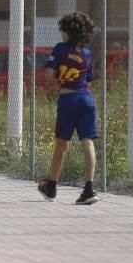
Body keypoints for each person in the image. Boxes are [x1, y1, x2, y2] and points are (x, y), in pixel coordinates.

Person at [37, 12, 100, 205]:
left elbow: (49, 72)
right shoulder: (87, 53)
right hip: (87, 99)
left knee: (61, 143)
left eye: (62, 30)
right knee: (87, 142)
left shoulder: (61, 48)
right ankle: (89, 189)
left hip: (68, 100)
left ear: (67, 32)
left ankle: (52, 186)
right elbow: (88, 77)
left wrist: (57, 82)